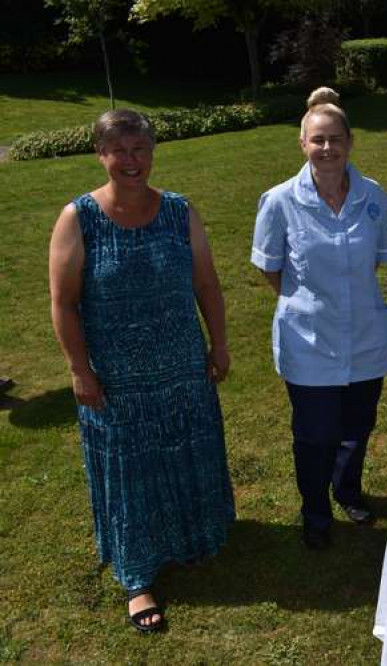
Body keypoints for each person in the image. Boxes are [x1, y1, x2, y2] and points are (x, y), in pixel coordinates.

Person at [48, 109, 235, 633]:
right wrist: (79, 371)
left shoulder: (179, 211)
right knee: (131, 473)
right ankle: (139, 579)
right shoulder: (78, 218)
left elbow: (207, 285)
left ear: (152, 151)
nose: (132, 161)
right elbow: (63, 304)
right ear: (100, 155)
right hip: (118, 380)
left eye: (141, 149)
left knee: (189, 449)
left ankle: (192, 537)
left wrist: (218, 343)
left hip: (181, 368)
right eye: (120, 151)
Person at [251, 87, 387, 550]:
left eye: (335, 139)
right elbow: (271, 269)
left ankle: (347, 489)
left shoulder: (374, 196)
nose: (327, 148)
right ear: (303, 145)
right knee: (315, 436)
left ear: (350, 142)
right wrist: (310, 301)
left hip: (366, 337)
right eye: (318, 140)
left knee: (357, 426)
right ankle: (315, 511)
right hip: (308, 341)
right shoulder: (278, 202)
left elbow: (374, 261)